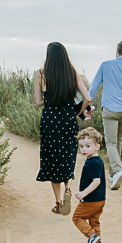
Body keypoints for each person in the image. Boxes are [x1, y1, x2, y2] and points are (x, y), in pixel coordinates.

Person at [34, 42, 92, 214]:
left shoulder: (40, 74)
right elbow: (87, 98)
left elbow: (38, 102)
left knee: (52, 159)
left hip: (50, 120)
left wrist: (50, 100)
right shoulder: (72, 73)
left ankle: (58, 202)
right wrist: (77, 111)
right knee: (68, 155)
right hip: (68, 120)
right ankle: (68, 188)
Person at [89, 40, 122, 190]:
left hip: (110, 110)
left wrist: (88, 105)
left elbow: (94, 87)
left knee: (111, 143)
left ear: (116, 51)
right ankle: (113, 175)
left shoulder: (106, 65)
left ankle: (118, 170)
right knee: (118, 141)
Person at [72, 127, 106, 243]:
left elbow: (96, 181)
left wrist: (84, 193)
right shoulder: (98, 160)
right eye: (81, 146)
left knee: (77, 218)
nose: (84, 149)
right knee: (94, 221)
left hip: (90, 200)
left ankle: (92, 236)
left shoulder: (91, 162)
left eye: (87, 146)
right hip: (100, 199)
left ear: (97, 146)